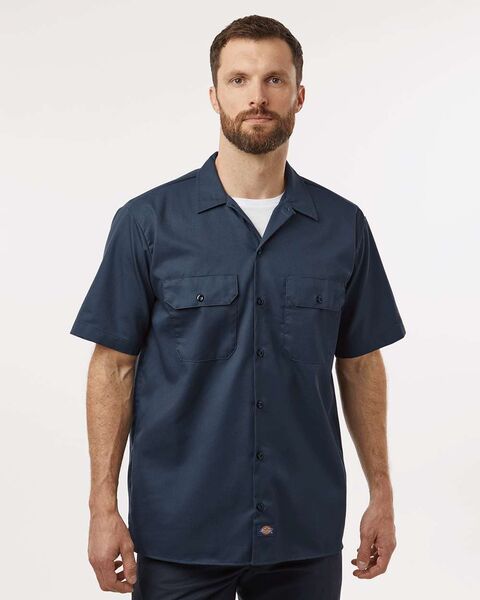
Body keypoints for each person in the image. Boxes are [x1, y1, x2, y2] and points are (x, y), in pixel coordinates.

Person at [70, 14, 406, 600]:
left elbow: (360, 364)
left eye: (275, 79)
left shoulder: (343, 226)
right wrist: (103, 506)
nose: (257, 96)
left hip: (303, 527)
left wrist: (382, 493)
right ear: (214, 95)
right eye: (239, 79)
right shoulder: (147, 223)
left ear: (299, 95)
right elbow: (113, 366)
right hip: (179, 530)